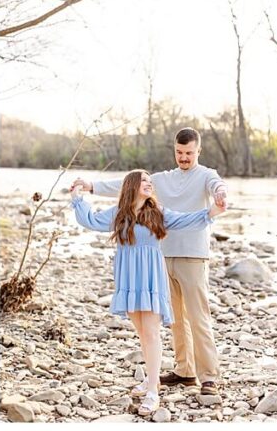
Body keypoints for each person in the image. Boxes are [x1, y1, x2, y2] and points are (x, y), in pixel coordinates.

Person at [71, 127, 227, 396]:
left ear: (198, 151)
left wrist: (221, 195)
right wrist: (92, 187)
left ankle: (209, 376)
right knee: (175, 317)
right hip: (161, 255)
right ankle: (184, 370)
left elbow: (216, 185)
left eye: (189, 153)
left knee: (198, 316)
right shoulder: (159, 180)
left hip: (193, 254)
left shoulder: (206, 175)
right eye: (179, 152)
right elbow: (126, 185)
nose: (184, 157)